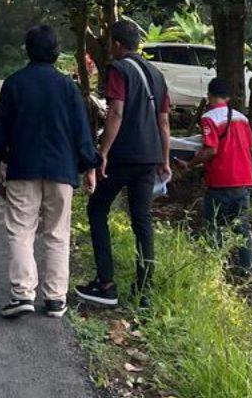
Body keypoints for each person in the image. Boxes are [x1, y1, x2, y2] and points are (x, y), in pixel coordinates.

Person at [0, 26, 99, 319]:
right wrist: (90, 167)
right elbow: (82, 132)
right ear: (55, 51)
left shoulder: (14, 83)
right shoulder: (68, 87)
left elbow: (1, 131)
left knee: (20, 230)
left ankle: (22, 293)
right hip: (62, 170)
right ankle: (55, 299)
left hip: (22, 167)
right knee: (57, 234)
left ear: (28, 50)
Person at [76, 19, 171, 309]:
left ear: (116, 44)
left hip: (124, 154)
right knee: (142, 219)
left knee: (97, 208)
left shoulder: (119, 69)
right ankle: (144, 292)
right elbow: (164, 122)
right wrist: (165, 159)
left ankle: (105, 284)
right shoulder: (156, 74)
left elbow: (115, 113)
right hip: (150, 157)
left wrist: (103, 153)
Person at [188, 78, 252, 275]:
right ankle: (248, 269)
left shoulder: (209, 118)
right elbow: (251, 147)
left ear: (209, 96)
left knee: (213, 225)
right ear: (227, 97)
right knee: (242, 226)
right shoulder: (242, 118)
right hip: (244, 179)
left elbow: (211, 150)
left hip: (221, 180)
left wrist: (190, 164)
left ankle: (214, 268)